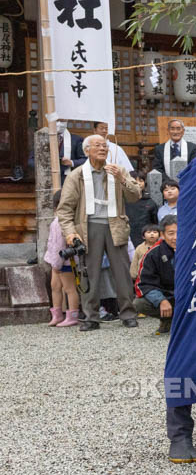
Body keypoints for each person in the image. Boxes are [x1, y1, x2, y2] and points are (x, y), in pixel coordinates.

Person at [55, 135, 141, 330]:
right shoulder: (76, 175)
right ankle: (91, 317)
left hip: (115, 225)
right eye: (98, 146)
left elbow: (135, 195)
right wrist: (69, 232)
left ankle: (128, 313)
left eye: (105, 146)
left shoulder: (118, 170)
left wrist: (121, 178)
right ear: (86, 151)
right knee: (89, 273)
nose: (102, 149)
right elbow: (64, 208)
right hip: (88, 227)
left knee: (121, 272)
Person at [43, 190, 81, 327]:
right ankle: (57, 314)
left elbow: (60, 245)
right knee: (55, 287)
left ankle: (72, 315)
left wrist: (57, 264)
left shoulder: (63, 222)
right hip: (56, 261)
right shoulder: (57, 221)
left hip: (65, 261)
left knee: (69, 288)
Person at [135, 215, 177, 335]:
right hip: (168, 296)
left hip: (190, 296)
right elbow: (144, 283)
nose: (176, 238)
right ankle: (167, 320)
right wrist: (161, 300)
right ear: (162, 235)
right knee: (140, 304)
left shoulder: (195, 248)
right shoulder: (153, 254)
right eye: (171, 233)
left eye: (179, 232)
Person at [125, 172, 158, 247]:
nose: (138, 183)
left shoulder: (150, 202)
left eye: (141, 180)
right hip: (127, 237)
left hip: (145, 239)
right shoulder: (123, 200)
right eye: (134, 181)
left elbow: (154, 222)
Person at [55, 119, 85, 185]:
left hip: (68, 178)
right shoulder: (42, 138)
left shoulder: (76, 139)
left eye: (62, 121)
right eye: (56, 121)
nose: (59, 123)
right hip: (47, 178)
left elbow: (85, 160)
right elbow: (31, 160)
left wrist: (71, 162)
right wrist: (47, 164)